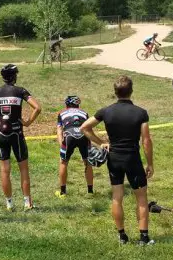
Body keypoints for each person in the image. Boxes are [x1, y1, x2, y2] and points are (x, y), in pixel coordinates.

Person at [80, 75, 154, 245]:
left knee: (117, 197)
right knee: (141, 198)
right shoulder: (141, 113)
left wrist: (102, 143)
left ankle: (122, 236)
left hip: (114, 158)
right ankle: (144, 237)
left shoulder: (106, 111)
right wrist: (150, 163)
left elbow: (84, 127)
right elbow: (146, 141)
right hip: (132, 158)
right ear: (131, 91)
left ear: (115, 92)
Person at [0, 64, 42, 211]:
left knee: (4, 170)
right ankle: (27, 203)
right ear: (14, 76)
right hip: (17, 133)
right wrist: (28, 122)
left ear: (3, 77)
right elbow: (37, 107)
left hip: (0, 133)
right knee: (23, 169)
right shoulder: (20, 90)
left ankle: (9, 204)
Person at [56, 95, 93, 198]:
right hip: (83, 135)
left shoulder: (62, 112)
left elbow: (59, 130)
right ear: (78, 104)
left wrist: (61, 144)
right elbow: (89, 129)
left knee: (63, 162)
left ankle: (63, 193)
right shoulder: (84, 113)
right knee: (88, 163)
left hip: (69, 136)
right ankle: (90, 192)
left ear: (67, 104)